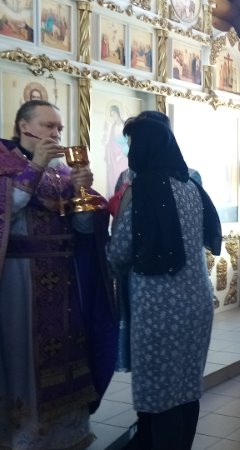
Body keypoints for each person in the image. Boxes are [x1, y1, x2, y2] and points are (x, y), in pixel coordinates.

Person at [0, 100, 117, 449]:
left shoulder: (62, 171)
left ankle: (66, 431)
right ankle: (23, 433)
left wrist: (83, 193)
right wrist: (35, 166)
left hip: (65, 278)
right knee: (22, 354)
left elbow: (83, 230)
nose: (56, 134)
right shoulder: (5, 164)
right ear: (24, 127)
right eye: (48, 126)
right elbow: (8, 209)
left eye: (59, 128)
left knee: (68, 348)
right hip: (19, 278)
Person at [107, 113, 221, 450]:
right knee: (187, 387)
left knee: (160, 394)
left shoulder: (143, 188)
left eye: (132, 144)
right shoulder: (191, 185)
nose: (130, 152)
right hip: (197, 303)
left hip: (159, 307)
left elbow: (120, 251)